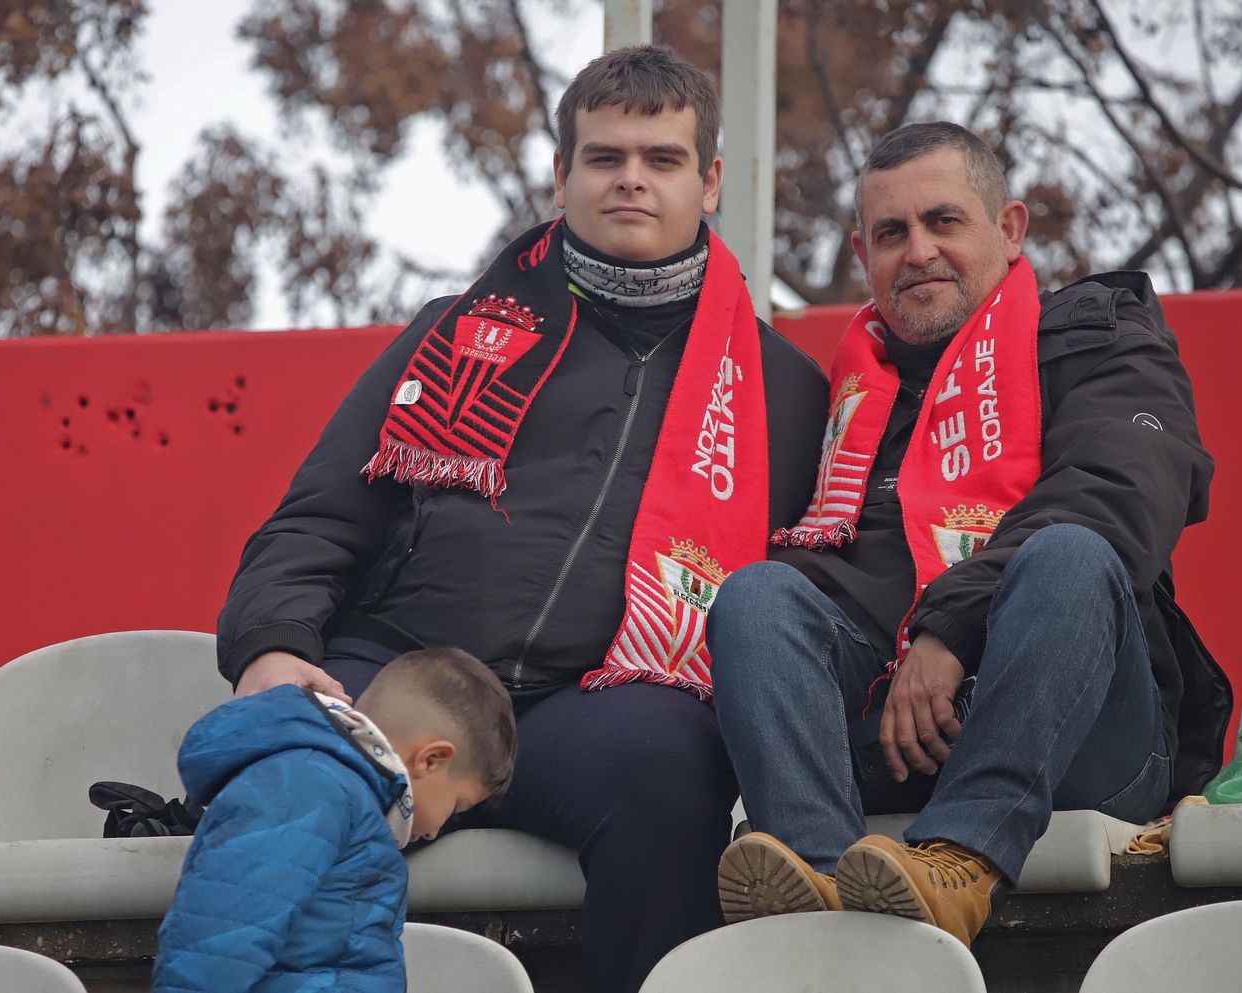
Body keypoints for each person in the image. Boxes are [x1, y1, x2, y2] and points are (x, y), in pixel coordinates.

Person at [214, 46, 827, 993]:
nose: (630, 179)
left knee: (672, 770)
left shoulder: (781, 388)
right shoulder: (450, 329)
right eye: (604, 156)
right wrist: (271, 646)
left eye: (661, 159)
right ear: (561, 174)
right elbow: (316, 520)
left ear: (709, 182)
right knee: (295, 769)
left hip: (594, 708)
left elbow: (809, 587)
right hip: (405, 669)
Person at [709, 121, 1232, 947]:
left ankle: (962, 858)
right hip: (892, 739)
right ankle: (823, 881)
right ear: (863, 254)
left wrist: (948, 628)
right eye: (892, 233)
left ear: (1010, 228)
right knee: (758, 597)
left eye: (943, 221)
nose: (918, 251)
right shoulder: (841, 394)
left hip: (1084, 738)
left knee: (1071, 551)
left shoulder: (1102, 336)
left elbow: (1118, 497)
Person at [153, 648, 516, 993]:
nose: (436, 830)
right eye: (456, 805)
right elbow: (218, 940)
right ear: (431, 760)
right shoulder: (310, 788)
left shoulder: (342, 795)